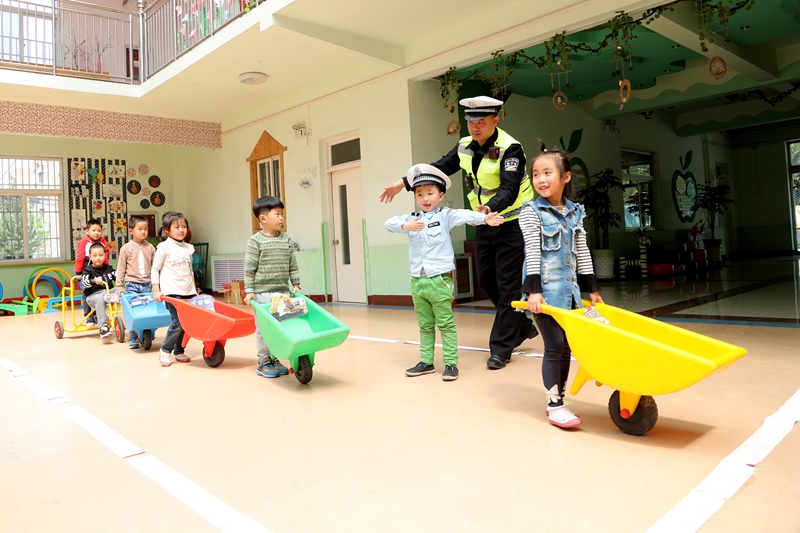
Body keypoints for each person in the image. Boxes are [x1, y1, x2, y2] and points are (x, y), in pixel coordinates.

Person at [380, 96, 537, 370]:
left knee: (508, 286)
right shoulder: (465, 145)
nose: (475, 128)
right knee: (487, 280)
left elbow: (510, 188)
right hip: (484, 222)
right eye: (471, 122)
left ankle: (501, 349)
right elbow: (439, 167)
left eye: (481, 122)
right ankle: (521, 325)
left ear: (495, 120)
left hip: (511, 221)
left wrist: (489, 208)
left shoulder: (510, 148)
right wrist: (403, 183)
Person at [386, 164, 504, 381]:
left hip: (439, 279)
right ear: (415, 197)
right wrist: (405, 226)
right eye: (420, 194)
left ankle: (450, 364)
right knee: (424, 324)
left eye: (430, 193)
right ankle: (426, 362)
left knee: (446, 324)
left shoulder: (445, 216)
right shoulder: (412, 218)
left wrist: (484, 219)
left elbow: (464, 215)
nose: (425, 198)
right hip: (418, 280)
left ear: (440, 196)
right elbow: (389, 223)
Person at [520, 142, 603, 428]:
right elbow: (532, 252)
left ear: (566, 177)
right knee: (554, 344)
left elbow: (583, 252)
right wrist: (533, 291)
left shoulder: (576, 212)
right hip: (543, 292)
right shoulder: (531, 212)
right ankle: (554, 405)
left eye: (547, 173)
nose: (540, 180)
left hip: (570, 293)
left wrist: (592, 289)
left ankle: (560, 399)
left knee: (566, 346)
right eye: (535, 174)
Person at [243, 196, 300, 379]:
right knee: (264, 330)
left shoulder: (286, 239)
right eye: (277, 214)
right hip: (262, 295)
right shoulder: (255, 241)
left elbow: (292, 264)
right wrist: (249, 291)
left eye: (282, 213)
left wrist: (296, 284)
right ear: (263, 218)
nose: (282, 217)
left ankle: (274, 358)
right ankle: (263, 362)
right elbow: (249, 268)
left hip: (283, 292)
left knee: (282, 328)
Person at [152, 212, 196, 367]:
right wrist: (156, 290)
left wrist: (194, 290)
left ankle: (179, 350)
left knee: (186, 323)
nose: (181, 230)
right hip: (171, 292)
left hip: (188, 291)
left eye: (184, 226)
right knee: (177, 322)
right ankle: (165, 350)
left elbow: (190, 270)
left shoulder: (189, 248)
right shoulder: (164, 247)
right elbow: (155, 269)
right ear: (167, 230)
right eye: (177, 227)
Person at [116, 214, 156, 349]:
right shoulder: (126, 248)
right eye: (140, 229)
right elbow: (121, 269)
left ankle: (147, 332)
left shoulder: (151, 248)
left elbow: (155, 268)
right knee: (133, 311)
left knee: (148, 310)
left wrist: (156, 285)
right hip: (132, 284)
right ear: (131, 231)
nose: (143, 231)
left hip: (148, 285)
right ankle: (133, 337)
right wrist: (119, 287)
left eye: (146, 229)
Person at [74, 218, 109, 324]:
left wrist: (106, 269)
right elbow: (80, 257)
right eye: (93, 230)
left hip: (99, 271)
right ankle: (88, 316)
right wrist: (78, 273)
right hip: (86, 272)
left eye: (99, 230)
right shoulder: (83, 242)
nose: (96, 233)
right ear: (87, 231)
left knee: (99, 292)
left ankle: (98, 315)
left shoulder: (103, 241)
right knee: (87, 293)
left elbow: (106, 255)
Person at [79, 242, 116, 338]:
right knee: (99, 297)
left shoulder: (109, 268)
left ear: (105, 255)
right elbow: (84, 283)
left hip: (107, 293)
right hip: (93, 296)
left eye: (100, 255)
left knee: (121, 290)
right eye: (94, 256)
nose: (98, 258)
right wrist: (93, 281)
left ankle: (127, 320)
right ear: (90, 257)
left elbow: (118, 277)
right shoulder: (87, 270)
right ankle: (103, 328)